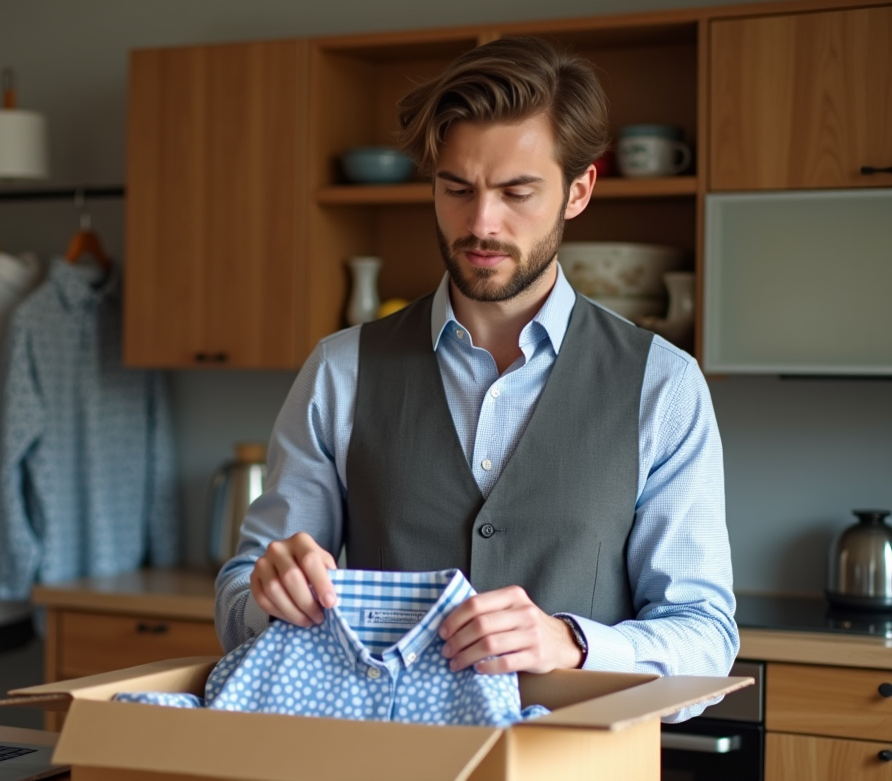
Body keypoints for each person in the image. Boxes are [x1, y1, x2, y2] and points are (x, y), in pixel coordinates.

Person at [215, 36, 737, 719]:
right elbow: (236, 604)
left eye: (517, 192)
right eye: (456, 189)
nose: (481, 223)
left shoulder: (663, 385)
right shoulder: (340, 371)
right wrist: (267, 592)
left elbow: (706, 635)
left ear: (578, 191)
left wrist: (570, 644)